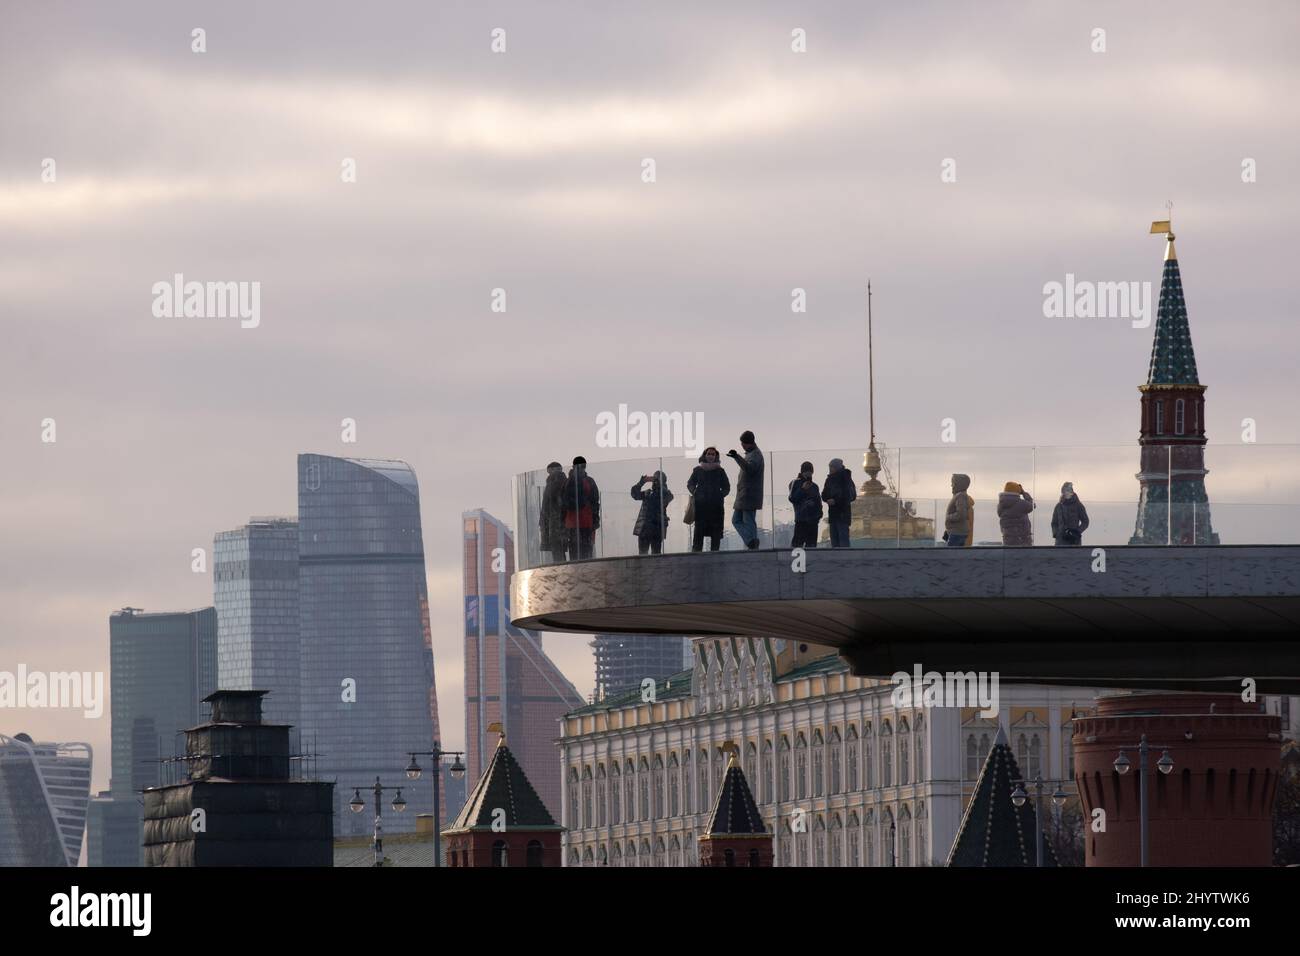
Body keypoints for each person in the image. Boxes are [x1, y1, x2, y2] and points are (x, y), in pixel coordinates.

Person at [687, 447, 730, 551]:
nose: (711, 456)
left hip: (716, 508)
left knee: (715, 536)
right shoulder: (698, 470)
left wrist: (719, 496)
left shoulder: (720, 471)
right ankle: (695, 560)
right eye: (709, 454)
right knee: (698, 535)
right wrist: (695, 492)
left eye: (713, 454)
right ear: (705, 455)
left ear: (716, 456)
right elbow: (690, 483)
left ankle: (715, 561)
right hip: (701, 507)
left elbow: (727, 487)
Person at [727, 431, 764, 549]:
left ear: (748, 443)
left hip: (749, 494)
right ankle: (751, 541)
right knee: (736, 520)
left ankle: (753, 542)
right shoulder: (751, 454)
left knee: (748, 521)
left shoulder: (756, 454)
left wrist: (737, 457)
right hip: (744, 494)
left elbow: (750, 469)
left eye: (743, 443)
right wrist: (737, 457)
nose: (742, 445)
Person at [561, 456, 601, 560]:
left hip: (572, 523)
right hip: (586, 521)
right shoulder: (588, 481)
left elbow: (563, 504)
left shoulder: (567, 482)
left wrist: (563, 523)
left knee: (575, 552)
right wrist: (596, 520)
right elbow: (595, 502)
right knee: (586, 552)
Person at [631, 471, 674, 555]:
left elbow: (669, 497)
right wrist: (641, 482)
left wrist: (660, 484)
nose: (654, 481)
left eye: (656, 479)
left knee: (656, 554)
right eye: (654, 479)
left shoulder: (665, 494)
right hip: (645, 528)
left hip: (656, 528)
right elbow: (634, 494)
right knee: (643, 554)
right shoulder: (648, 493)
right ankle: (643, 568)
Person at [821, 458, 857, 548]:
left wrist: (835, 501)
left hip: (843, 515)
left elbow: (850, 496)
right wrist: (827, 499)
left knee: (843, 540)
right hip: (833, 515)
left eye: (832, 467)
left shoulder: (846, 479)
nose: (830, 469)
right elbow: (824, 494)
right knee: (834, 540)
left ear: (837, 467)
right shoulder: (829, 480)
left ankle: (844, 560)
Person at [788, 461, 823, 549]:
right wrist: (803, 489)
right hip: (801, 520)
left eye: (810, 472)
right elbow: (792, 498)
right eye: (807, 471)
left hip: (813, 521)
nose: (809, 474)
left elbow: (818, 502)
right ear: (802, 472)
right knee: (797, 547)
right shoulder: (795, 483)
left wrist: (818, 515)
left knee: (811, 547)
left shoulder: (814, 486)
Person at [539, 461, 567, 562]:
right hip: (555, 520)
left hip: (556, 521)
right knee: (557, 547)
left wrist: (544, 520)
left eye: (550, 471)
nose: (550, 474)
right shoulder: (559, 481)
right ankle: (560, 565)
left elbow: (549, 499)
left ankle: (560, 567)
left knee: (557, 546)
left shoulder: (556, 481)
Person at [996, 481, 1035, 547]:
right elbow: (1032, 506)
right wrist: (1023, 493)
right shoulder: (1021, 504)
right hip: (1022, 540)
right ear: (1017, 492)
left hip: (1007, 539)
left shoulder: (1001, 505)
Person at [1051, 481, 1090, 546]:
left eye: (1068, 491)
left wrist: (1077, 532)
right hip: (1060, 541)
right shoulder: (1058, 506)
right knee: (1059, 556)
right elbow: (1054, 523)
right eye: (1064, 491)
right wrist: (1056, 534)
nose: (1066, 493)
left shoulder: (1078, 505)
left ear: (1072, 492)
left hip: (1074, 541)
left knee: (1074, 555)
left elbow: (1085, 521)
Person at [944, 473, 974, 547]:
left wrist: (948, 517)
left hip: (956, 533)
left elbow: (961, 515)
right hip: (957, 532)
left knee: (951, 555)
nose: (951, 485)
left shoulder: (960, 496)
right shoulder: (961, 496)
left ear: (959, 484)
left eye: (953, 483)